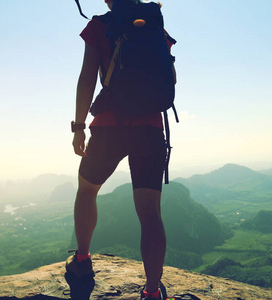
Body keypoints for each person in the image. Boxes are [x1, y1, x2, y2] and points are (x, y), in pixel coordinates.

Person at [65, 1, 175, 299]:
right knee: (150, 212)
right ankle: (152, 291)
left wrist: (78, 126)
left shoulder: (100, 25)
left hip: (109, 124)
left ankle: (82, 261)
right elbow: (169, 78)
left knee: (87, 190)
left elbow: (88, 75)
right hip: (150, 127)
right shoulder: (154, 25)